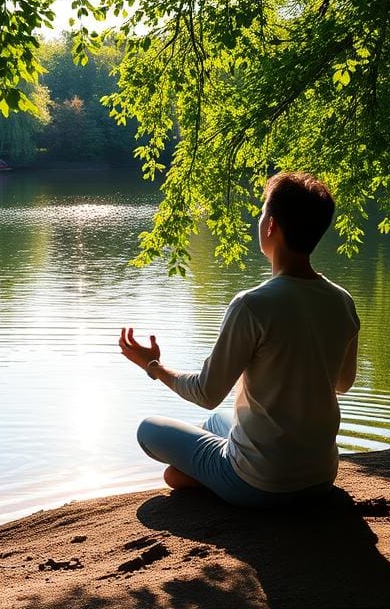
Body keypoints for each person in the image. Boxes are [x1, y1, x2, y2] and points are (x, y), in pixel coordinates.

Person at [119, 172, 360, 507]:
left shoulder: (252, 304)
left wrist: (153, 366)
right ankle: (206, 468)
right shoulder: (342, 301)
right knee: (218, 422)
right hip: (320, 477)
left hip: (263, 484)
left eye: (262, 213)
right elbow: (343, 383)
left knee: (148, 430)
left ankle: (214, 473)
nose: (260, 220)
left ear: (271, 226)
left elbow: (206, 392)